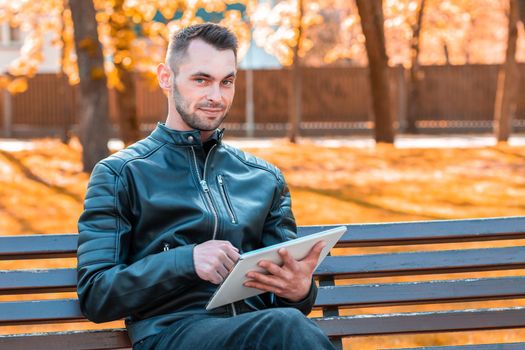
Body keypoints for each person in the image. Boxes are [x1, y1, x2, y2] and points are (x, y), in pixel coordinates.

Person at [77, 23, 335, 350]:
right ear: (166, 78)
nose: (216, 96)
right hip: (173, 334)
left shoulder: (263, 178)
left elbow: (286, 303)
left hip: (258, 332)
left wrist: (300, 291)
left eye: (226, 82)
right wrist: (186, 261)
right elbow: (97, 294)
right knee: (284, 327)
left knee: (285, 324)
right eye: (202, 80)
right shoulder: (122, 174)